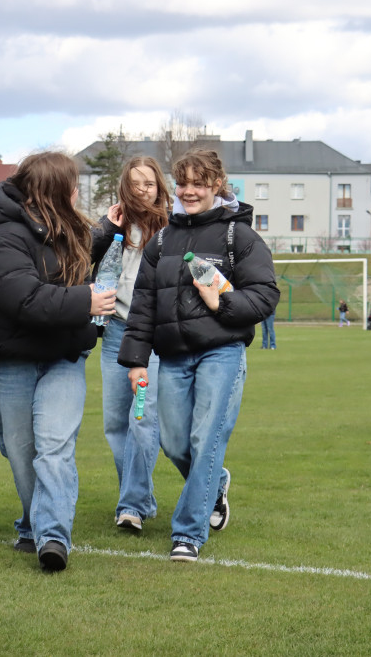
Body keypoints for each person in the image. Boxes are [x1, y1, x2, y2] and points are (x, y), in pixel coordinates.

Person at [119, 149, 279, 562]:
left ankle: (187, 534)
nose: (190, 191)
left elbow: (264, 296)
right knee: (174, 444)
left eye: (199, 183)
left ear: (216, 186)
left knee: (206, 438)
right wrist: (137, 361)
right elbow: (142, 305)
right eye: (184, 183)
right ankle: (216, 483)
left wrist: (221, 302)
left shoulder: (238, 236)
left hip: (221, 353)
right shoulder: (163, 239)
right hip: (172, 356)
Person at [0, 151, 116, 573]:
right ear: (52, 191)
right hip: (12, 358)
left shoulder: (70, 229)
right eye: (71, 185)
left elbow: (84, 253)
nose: (77, 193)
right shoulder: (7, 236)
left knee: (53, 446)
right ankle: (33, 523)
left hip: (63, 355)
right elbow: (24, 298)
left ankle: (52, 537)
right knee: (20, 451)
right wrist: (85, 300)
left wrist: (110, 226)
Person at [95, 156, 171, 532]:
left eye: (150, 183)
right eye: (136, 183)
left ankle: (132, 506)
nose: (144, 189)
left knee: (142, 419)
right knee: (115, 424)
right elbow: (84, 260)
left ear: (159, 187)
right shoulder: (112, 223)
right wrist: (106, 226)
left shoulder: (170, 228)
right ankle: (142, 498)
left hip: (152, 338)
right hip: (114, 334)